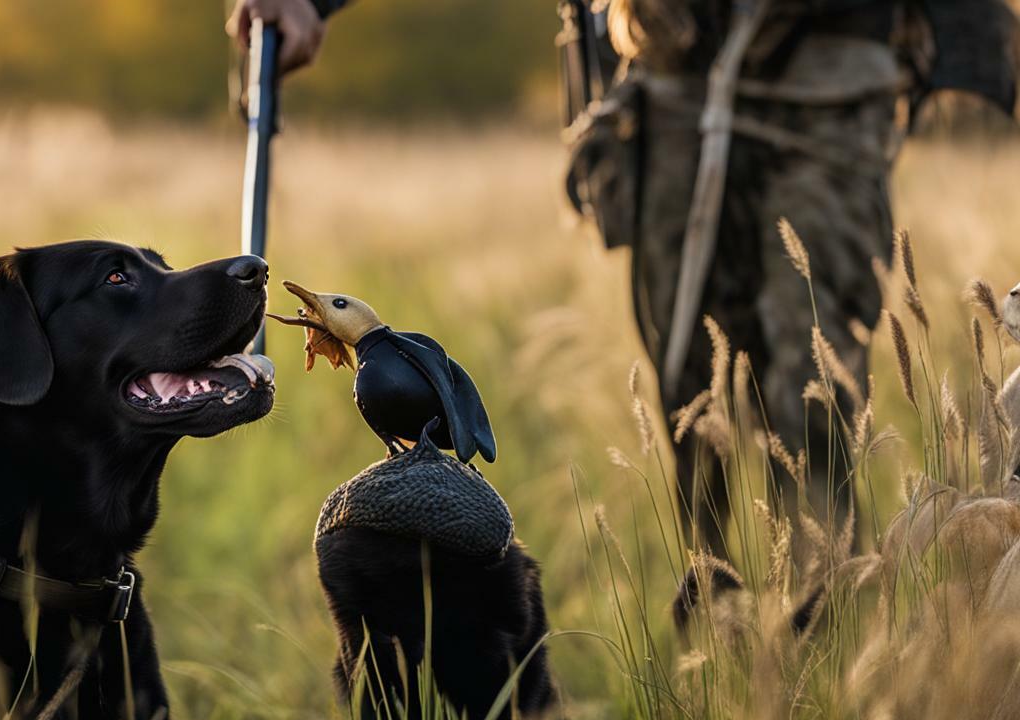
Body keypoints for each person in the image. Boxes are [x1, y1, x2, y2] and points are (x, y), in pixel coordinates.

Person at [225, 0, 1017, 566]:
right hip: (670, 73)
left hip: (831, 73)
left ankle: (829, 644)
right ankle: (715, 625)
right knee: (686, 397)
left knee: (809, 390)